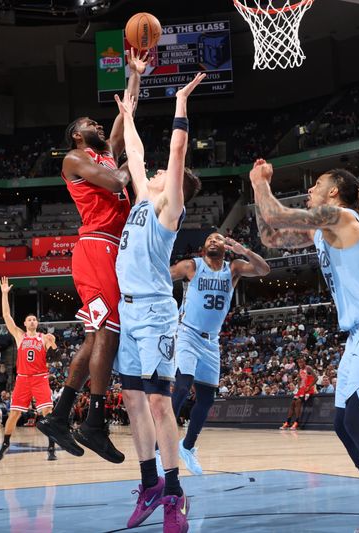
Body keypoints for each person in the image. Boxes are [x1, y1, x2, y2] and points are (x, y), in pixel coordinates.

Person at [250, 161, 359, 533]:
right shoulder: (321, 230)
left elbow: (276, 213)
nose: (311, 190)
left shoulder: (342, 216)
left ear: (334, 191)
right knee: (342, 424)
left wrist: (261, 184)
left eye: (316, 183)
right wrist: (257, 192)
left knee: (358, 419)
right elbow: (271, 236)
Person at [36, 49, 149, 463]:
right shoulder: (75, 159)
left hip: (109, 249)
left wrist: (134, 75)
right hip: (96, 245)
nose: (98, 123)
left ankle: (60, 415)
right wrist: (133, 160)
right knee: (110, 333)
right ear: (77, 136)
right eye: (90, 123)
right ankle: (95, 423)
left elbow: (127, 112)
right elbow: (120, 177)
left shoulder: (101, 150)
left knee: (95, 336)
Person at [112, 73, 204, 533]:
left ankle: (174, 494)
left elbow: (173, 152)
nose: (150, 173)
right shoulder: (143, 199)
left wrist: (181, 103)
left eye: (160, 174)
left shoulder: (169, 209)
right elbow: (136, 153)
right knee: (131, 398)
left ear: (172, 184)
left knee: (158, 404)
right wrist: (129, 114)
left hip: (153, 314)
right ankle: (149, 483)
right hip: (129, 312)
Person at [169, 232, 270, 474]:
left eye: (219, 239)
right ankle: (160, 446)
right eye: (210, 239)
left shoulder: (233, 268)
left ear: (226, 246)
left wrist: (244, 250)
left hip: (211, 341)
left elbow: (263, 269)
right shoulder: (192, 266)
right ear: (204, 246)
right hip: (187, 333)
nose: (214, 240)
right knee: (183, 386)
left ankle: (188, 446)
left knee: (206, 399)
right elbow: (162, 277)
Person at [0, 276, 58, 461]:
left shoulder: (44, 338)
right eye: (29, 319)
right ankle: (5, 444)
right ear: (24, 323)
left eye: (34, 319)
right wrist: (4, 294)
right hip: (22, 379)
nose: (32, 321)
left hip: (40, 378)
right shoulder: (20, 336)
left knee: (47, 413)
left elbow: (56, 357)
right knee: (14, 413)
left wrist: (53, 344)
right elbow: (7, 316)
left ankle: (51, 447)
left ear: (37, 323)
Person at [279, 359, 317, 430]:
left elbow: (316, 378)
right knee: (293, 403)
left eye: (301, 362)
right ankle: (287, 422)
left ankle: (296, 422)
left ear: (304, 362)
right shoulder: (300, 369)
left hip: (308, 389)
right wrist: (299, 385)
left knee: (298, 402)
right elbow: (299, 378)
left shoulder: (308, 368)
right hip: (302, 389)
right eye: (299, 363)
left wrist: (310, 386)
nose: (300, 364)